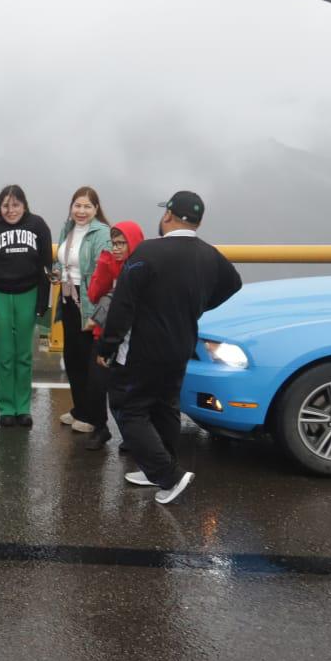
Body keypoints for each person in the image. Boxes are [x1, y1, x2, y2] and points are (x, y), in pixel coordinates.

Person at [96, 191, 242, 504]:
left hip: (142, 349)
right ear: (198, 222)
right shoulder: (209, 255)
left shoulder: (148, 252)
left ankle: (169, 476)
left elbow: (122, 306)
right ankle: (157, 469)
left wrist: (106, 347)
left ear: (168, 216)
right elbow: (234, 283)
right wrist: (198, 304)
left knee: (128, 407)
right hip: (180, 345)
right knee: (164, 406)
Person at [0, 185, 54, 427]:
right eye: (6, 205)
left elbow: (46, 267)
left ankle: (23, 407)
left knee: (24, 354)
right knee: (5, 355)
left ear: (24, 205)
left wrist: (43, 301)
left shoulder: (38, 225)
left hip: (28, 293)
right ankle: (6, 408)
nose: (11, 210)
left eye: (16, 205)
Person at [82, 219, 146, 450]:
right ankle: (101, 429)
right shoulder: (110, 262)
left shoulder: (142, 267)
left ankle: (132, 436)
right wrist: (105, 263)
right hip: (105, 335)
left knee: (129, 393)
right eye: (114, 243)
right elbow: (94, 294)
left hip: (133, 339)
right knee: (96, 387)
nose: (117, 248)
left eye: (122, 243)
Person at [56, 186, 112, 433]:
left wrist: (96, 314)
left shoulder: (102, 234)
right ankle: (79, 408)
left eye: (87, 206)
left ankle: (93, 417)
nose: (81, 211)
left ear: (96, 209)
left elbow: (105, 273)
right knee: (72, 358)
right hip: (68, 297)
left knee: (91, 363)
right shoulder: (67, 228)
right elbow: (62, 259)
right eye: (77, 205)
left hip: (89, 301)